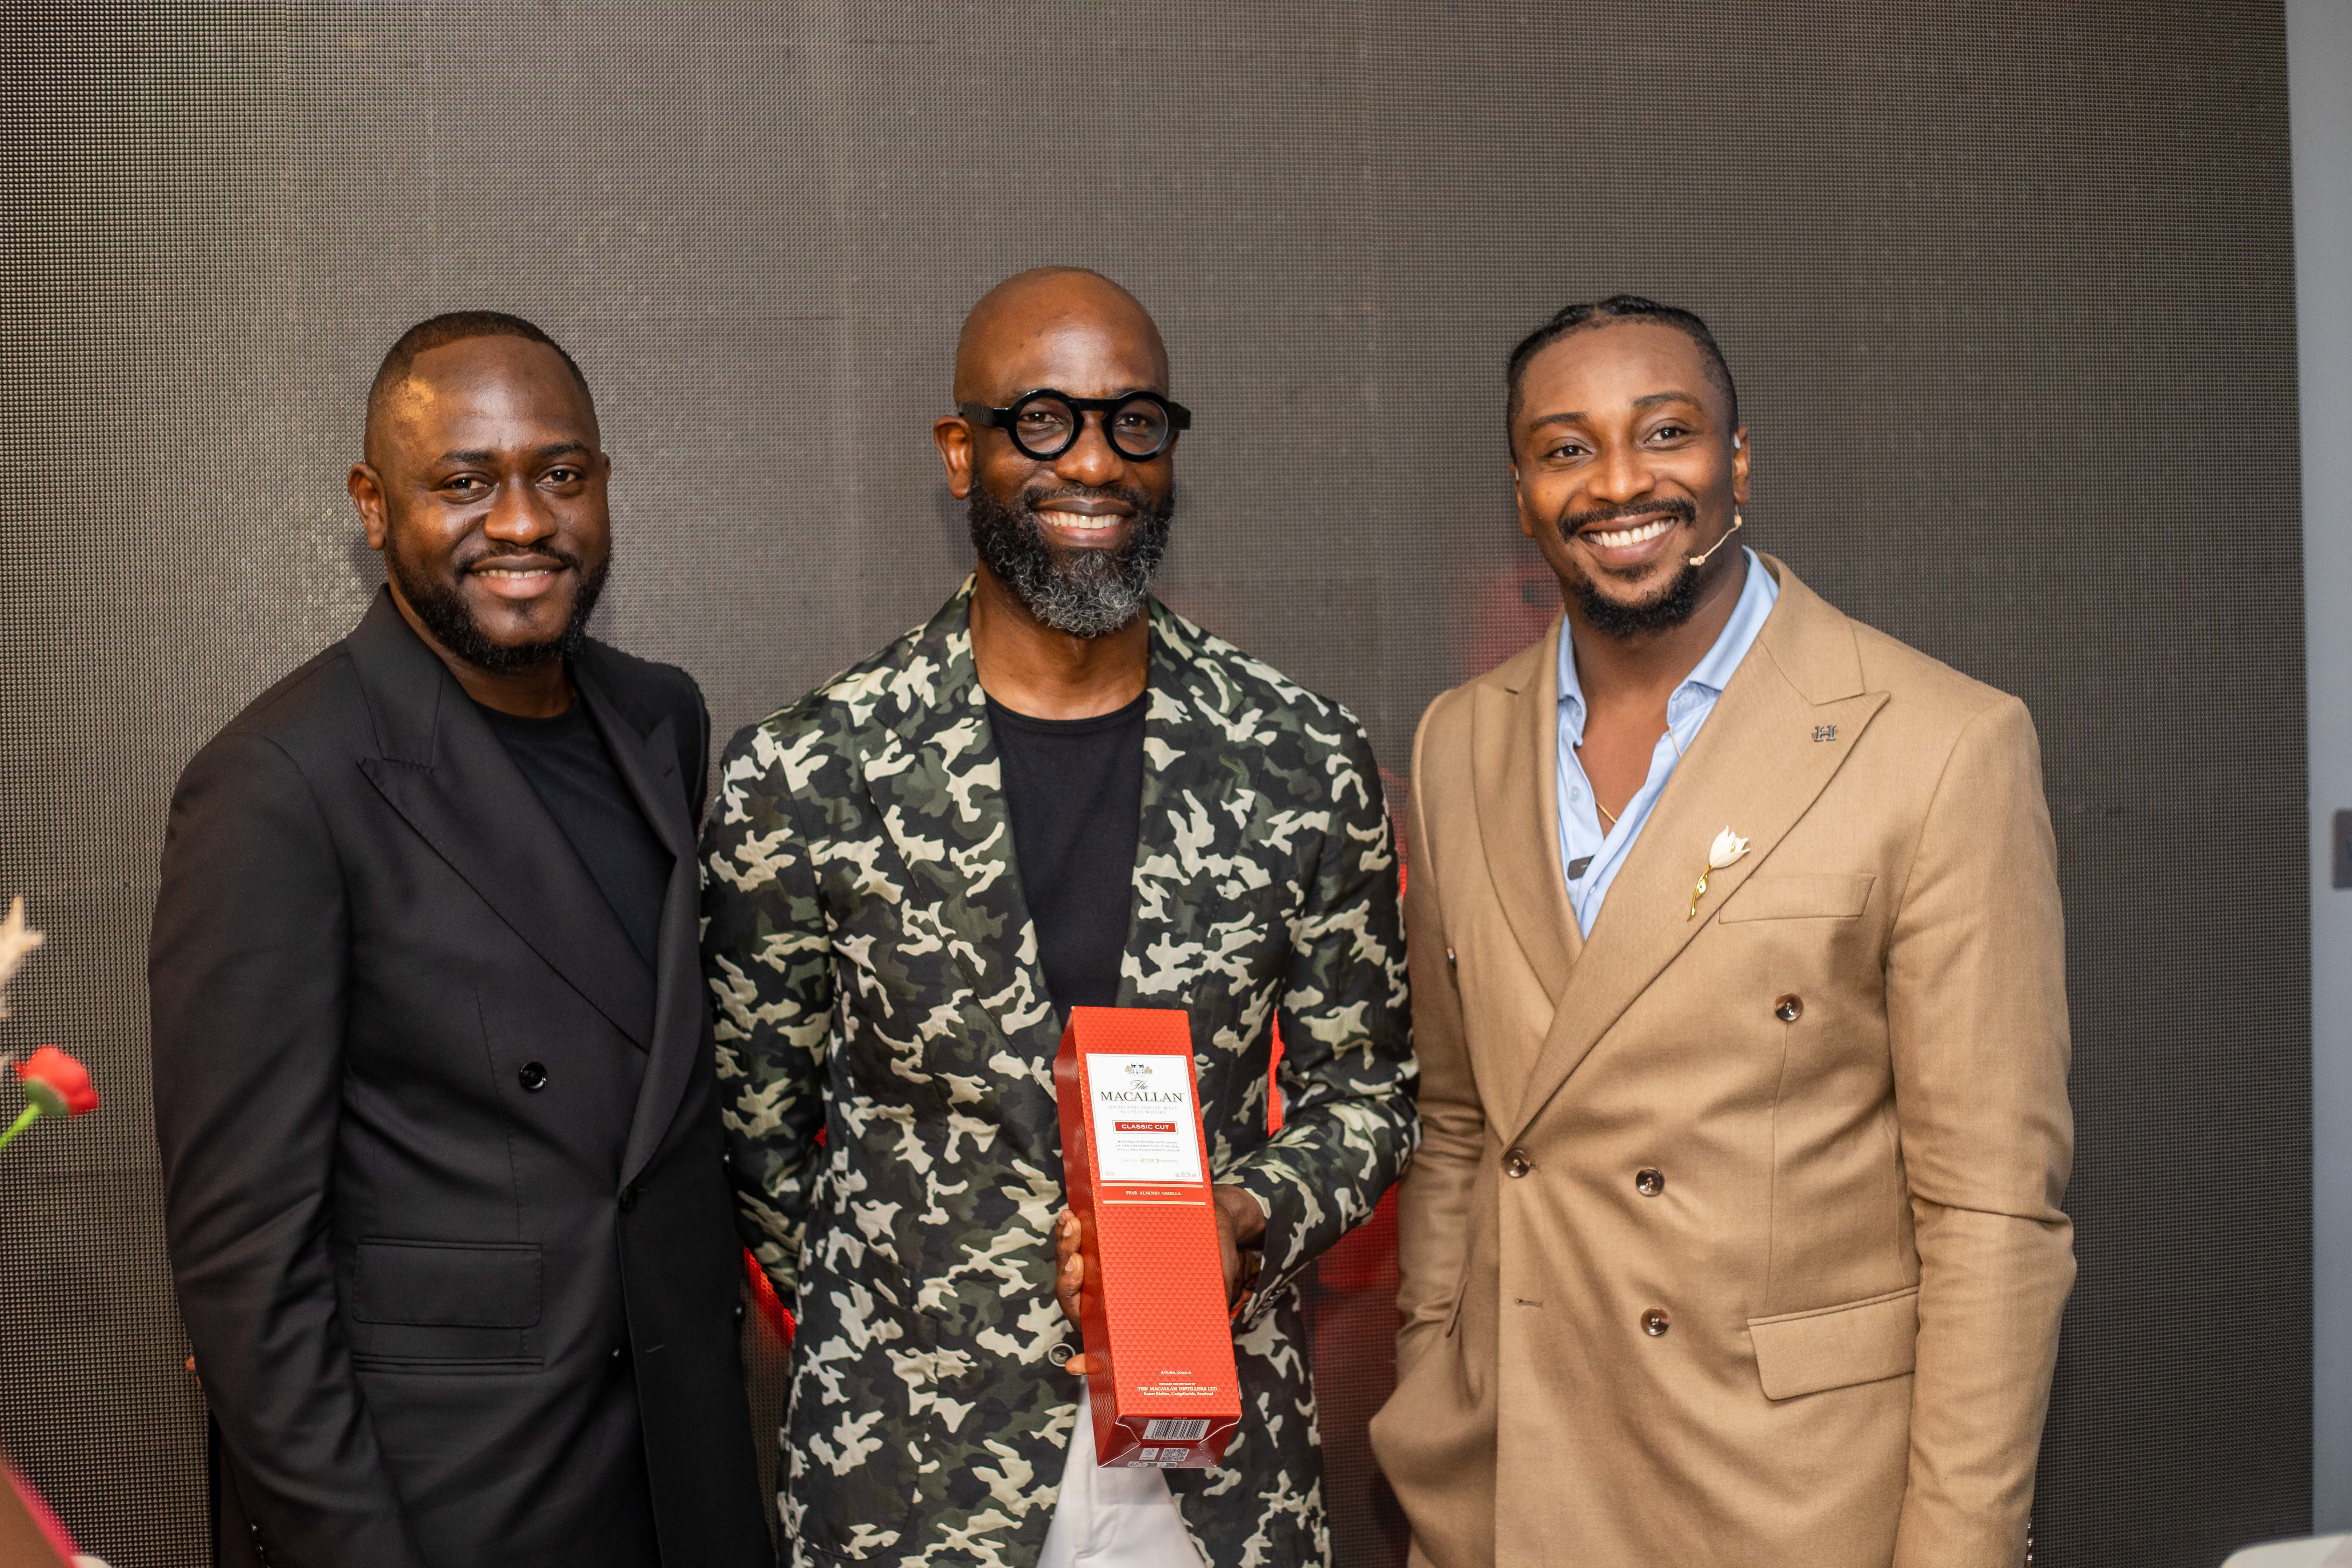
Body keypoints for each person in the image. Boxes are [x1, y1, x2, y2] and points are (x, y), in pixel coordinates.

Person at [701, 266, 1416, 1567]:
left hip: (1219, 1470)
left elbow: (1367, 1094)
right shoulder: (811, 773)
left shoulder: (1301, 756)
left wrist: (1244, 1219)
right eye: (1043, 420)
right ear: (959, 450)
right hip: (914, 1480)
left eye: (1133, 423)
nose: (1093, 462)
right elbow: (757, 1136)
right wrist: (909, 1319)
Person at [1370, 295, 2074, 1568]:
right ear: (1524, 495)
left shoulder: (1938, 743)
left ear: (1736, 462)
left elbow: (1991, 1215)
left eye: (1667, 433)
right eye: (1566, 447)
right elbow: (1462, 1123)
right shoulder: (1458, 738)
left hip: (1784, 1500)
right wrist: (1439, 1360)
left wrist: (1958, 1550)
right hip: (1511, 1484)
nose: (1621, 482)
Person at [150, 312, 772, 1568]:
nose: (525, 520)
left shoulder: (661, 718)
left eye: (560, 473)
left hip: (677, 1466)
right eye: (465, 482)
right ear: (375, 508)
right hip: (452, 1500)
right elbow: (244, 1265)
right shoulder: (279, 784)